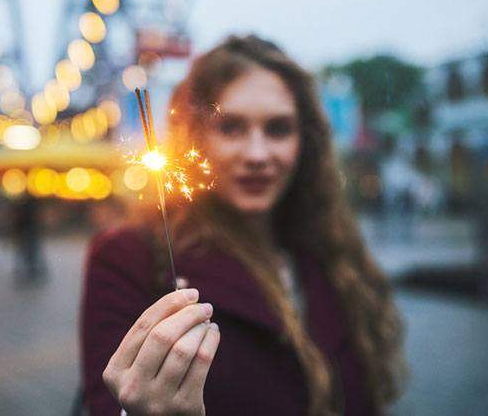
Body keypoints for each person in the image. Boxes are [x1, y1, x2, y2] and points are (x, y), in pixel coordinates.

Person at [81, 35, 406, 415]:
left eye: (278, 128)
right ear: (195, 136)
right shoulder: (129, 257)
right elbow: (109, 401)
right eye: (231, 128)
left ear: (306, 140)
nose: (257, 154)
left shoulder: (328, 249)